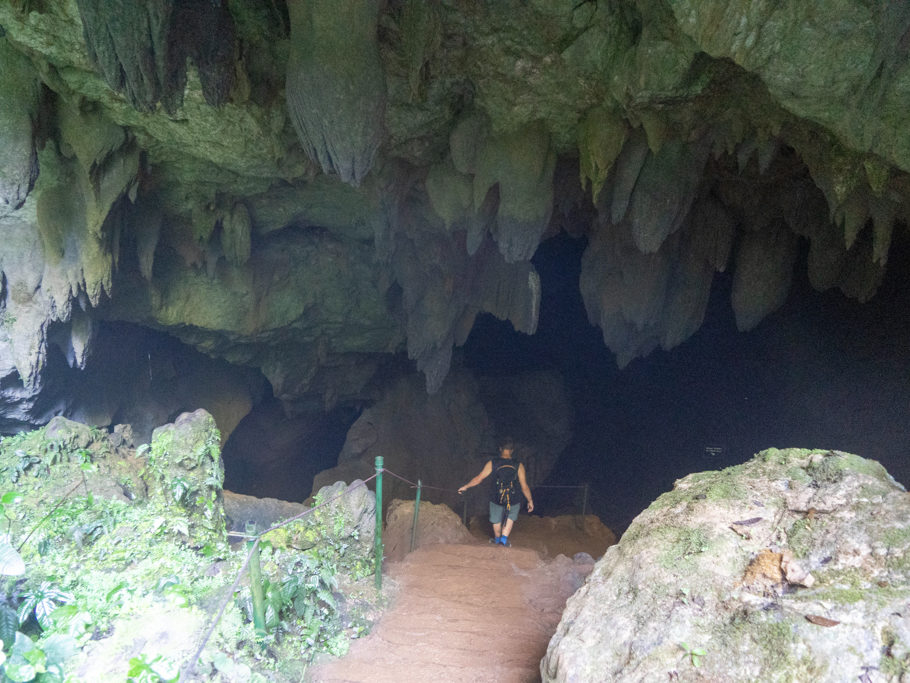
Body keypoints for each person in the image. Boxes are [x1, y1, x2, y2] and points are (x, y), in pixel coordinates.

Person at [458, 439, 534, 547]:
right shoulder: (518, 465)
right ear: (512, 450)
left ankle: (497, 540)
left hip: (496, 496)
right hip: (513, 498)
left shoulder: (493, 463)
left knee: (496, 520)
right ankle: (503, 540)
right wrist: (530, 501)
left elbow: (479, 478)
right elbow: (524, 486)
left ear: (500, 449)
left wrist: (466, 486)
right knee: (510, 518)